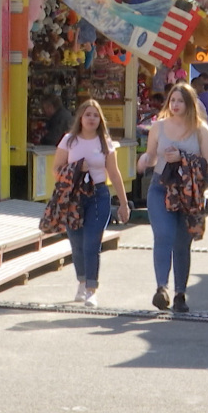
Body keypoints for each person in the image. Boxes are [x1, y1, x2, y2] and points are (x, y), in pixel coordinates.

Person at [137, 83, 208, 312]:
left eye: (180, 101)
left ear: (189, 104)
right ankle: (161, 288)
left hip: (188, 192)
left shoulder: (200, 129)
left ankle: (180, 293)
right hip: (161, 187)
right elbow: (152, 156)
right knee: (164, 235)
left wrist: (182, 157)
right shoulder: (158, 127)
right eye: (172, 101)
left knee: (182, 242)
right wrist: (145, 160)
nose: (175, 105)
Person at [53, 99, 130, 308]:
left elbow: (114, 173)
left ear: (100, 120)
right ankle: (81, 280)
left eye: (95, 115)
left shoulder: (105, 142)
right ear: (80, 117)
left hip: (98, 195)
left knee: (91, 243)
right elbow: (56, 168)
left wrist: (123, 203)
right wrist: (77, 168)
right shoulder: (69, 140)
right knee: (77, 243)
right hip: (73, 197)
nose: (91, 119)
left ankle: (91, 289)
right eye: (88, 114)